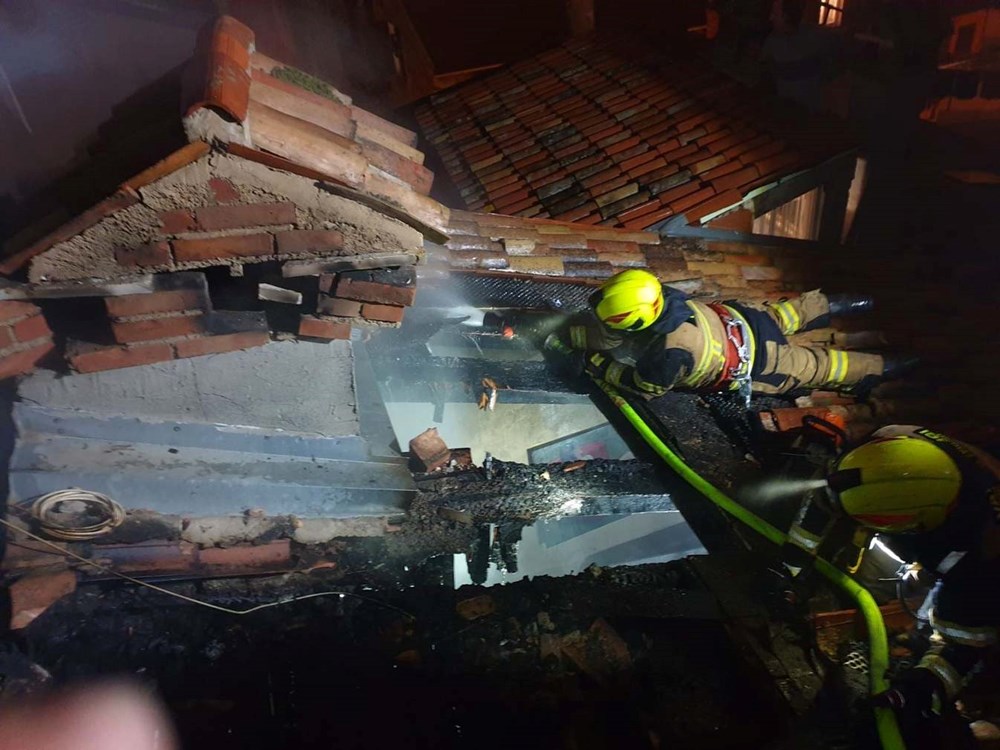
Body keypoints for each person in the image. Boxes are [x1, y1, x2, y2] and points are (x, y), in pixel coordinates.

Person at [784, 426, 1000, 733]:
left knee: (937, 624)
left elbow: (967, 642)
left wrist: (922, 688)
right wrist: (790, 565)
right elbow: (825, 498)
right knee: (874, 574)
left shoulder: (982, 557)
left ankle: (918, 648)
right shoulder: (882, 449)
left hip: (968, 568)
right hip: (935, 527)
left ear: (915, 527)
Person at [544, 268, 911, 401]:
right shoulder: (659, 294)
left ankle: (894, 365)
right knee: (793, 311)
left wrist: (594, 363)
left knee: (821, 367)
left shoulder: (670, 355)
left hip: (762, 361)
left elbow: (644, 387)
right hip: (745, 320)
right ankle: (857, 301)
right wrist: (574, 336)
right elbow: (616, 332)